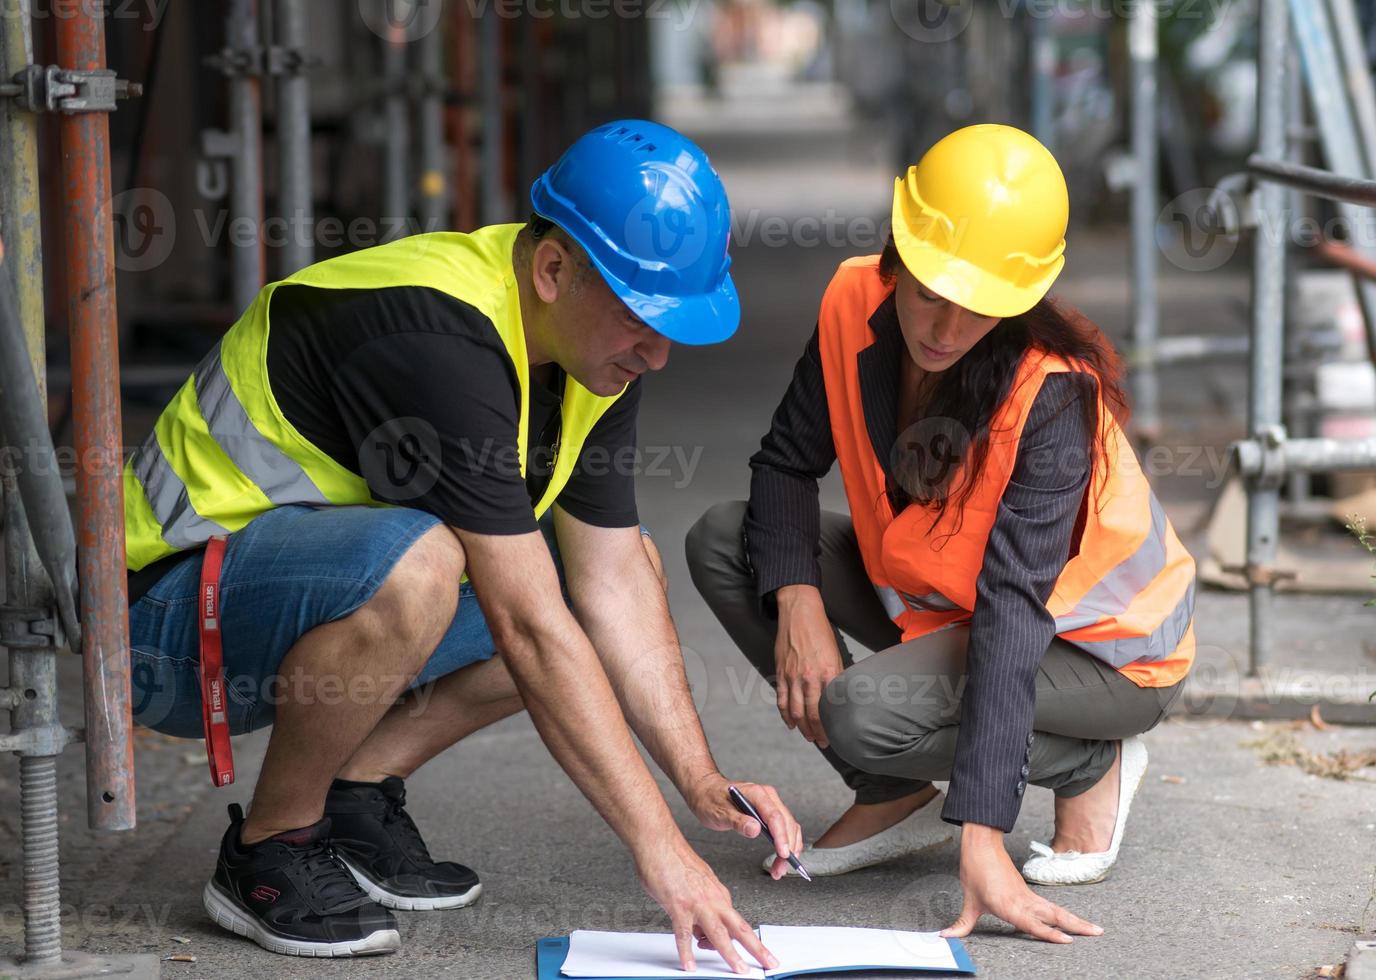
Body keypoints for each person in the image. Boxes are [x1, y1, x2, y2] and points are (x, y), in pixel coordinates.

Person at [126, 119, 803, 967]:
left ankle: (355, 791)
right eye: (643, 318)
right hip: (164, 623)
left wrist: (699, 781)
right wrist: (662, 849)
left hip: (277, 595)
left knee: (606, 570)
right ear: (554, 270)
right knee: (423, 568)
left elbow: (614, 579)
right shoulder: (437, 338)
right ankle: (269, 848)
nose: (659, 353)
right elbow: (527, 627)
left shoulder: (589, 350)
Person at [686, 124, 1196, 944]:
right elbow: (785, 462)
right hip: (943, 604)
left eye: (981, 306)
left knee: (861, 710)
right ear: (899, 254)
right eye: (930, 291)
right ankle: (893, 789)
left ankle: (1091, 761)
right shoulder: (853, 299)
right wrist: (799, 603)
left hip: (1107, 651)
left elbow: (1012, 610)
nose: (946, 328)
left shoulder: (1053, 395)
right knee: (724, 540)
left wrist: (984, 837)